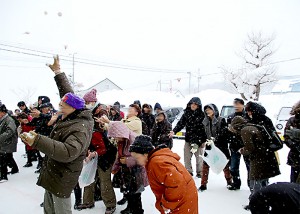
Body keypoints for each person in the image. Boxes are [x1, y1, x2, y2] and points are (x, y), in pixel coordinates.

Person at [20, 55, 94, 214]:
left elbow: (68, 152)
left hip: (63, 176)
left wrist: (38, 140)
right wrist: (58, 72)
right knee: (48, 210)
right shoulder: (72, 111)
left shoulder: (80, 126)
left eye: (63, 103)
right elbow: (67, 93)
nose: (59, 104)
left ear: (73, 108)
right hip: (53, 173)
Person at [130, 135, 198, 214]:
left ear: (145, 154)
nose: (136, 161)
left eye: (137, 158)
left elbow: (177, 183)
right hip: (183, 196)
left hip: (181, 200)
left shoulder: (156, 162)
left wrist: (167, 204)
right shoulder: (156, 158)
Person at [229, 116, 280, 210]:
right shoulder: (252, 126)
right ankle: (265, 201)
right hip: (266, 156)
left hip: (258, 159)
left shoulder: (245, 130)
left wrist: (242, 150)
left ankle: (256, 204)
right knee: (263, 181)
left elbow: (250, 148)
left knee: (255, 181)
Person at [77, 108, 117, 214]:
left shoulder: (94, 133)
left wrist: (93, 154)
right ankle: (87, 201)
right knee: (88, 179)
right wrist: (87, 155)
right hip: (94, 158)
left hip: (105, 159)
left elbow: (103, 149)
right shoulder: (84, 132)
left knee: (105, 182)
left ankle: (110, 204)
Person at [107, 122, 148, 214]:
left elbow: (142, 157)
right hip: (126, 170)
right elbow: (120, 155)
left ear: (120, 133)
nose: (115, 139)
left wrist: (128, 160)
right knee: (127, 190)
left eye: (116, 136)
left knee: (136, 193)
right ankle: (130, 207)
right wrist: (115, 167)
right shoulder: (122, 141)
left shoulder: (134, 138)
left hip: (136, 171)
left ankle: (137, 211)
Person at [170, 97, 207, 177]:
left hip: (199, 140)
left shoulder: (202, 115)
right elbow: (181, 123)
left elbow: (205, 129)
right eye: (192, 104)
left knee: (199, 158)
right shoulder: (186, 113)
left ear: (198, 106)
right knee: (187, 157)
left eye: (195, 104)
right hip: (188, 139)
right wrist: (174, 131)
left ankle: (200, 172)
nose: (193, 105)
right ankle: (188, 171)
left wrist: (203, 140)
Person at [199, 104, 232, 191]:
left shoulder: (221, 120)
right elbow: (203, 134)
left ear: (214, 110)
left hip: (221, 146)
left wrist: (215, 139)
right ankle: (203, 184)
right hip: (209, 145)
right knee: (205, 164)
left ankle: (229, 182)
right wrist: (201, 141)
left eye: (209, 109)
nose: (208, 111)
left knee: (224, 164)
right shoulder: (205, 121)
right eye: (206, 110)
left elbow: (224, 133)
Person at [227, 98, 250, 190]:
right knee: (233, 167)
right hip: (234, 146)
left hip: (246, 145)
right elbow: (228, 131)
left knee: (249, 167)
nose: (236, 106)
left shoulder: (247, 116)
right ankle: (236, 183)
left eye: (238, 104)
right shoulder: (230, 117)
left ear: (243, 105)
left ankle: (251, 185)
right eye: (235, 104)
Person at [0, 103, 18, 183]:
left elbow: (10, 131)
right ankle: (15, 168)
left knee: (3, 158)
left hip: (8, 142)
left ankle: (4, 176)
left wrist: (1, 137)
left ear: (3, 112)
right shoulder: (3, 119)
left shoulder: (9, 119)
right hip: (4, 142)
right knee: (8, 157)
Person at [284, 100, 300, 183]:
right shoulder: (293, 120)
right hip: (296, 157)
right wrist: (295, 146)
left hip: (295, 156)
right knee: (295, 182)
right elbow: (287, 137)